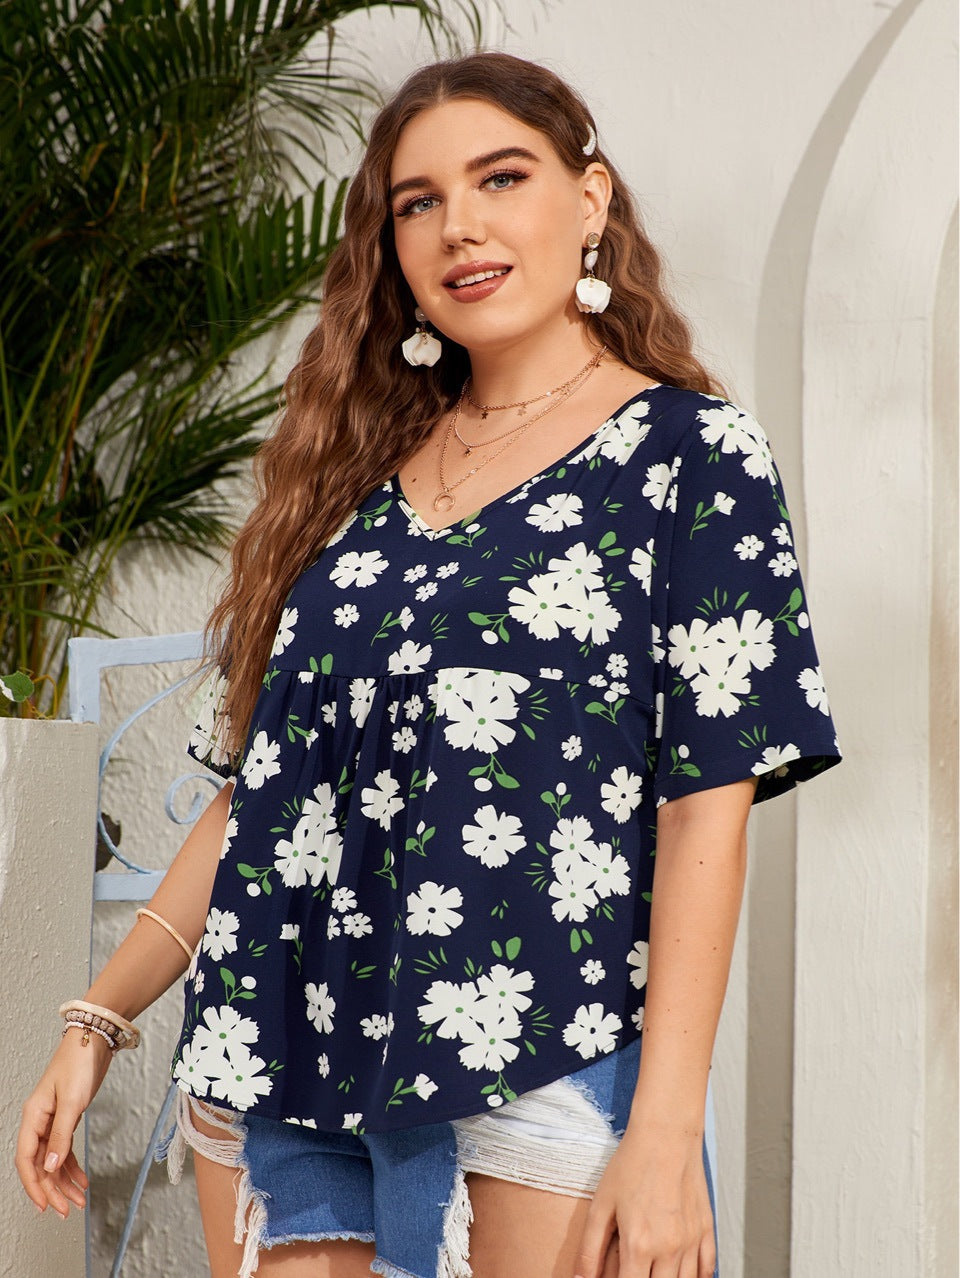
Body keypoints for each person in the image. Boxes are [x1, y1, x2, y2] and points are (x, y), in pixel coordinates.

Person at [17, 52, 841, 1278]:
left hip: (537, 1044)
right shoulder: (350, 487)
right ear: (393, 248)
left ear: (591, 200)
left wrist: (666, 1130)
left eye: (501, 178)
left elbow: (703, 809)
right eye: (419, 202)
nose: (460, 225)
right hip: (276, 1056)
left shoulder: (690, 454)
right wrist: (96, 1020)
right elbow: (259, 799)